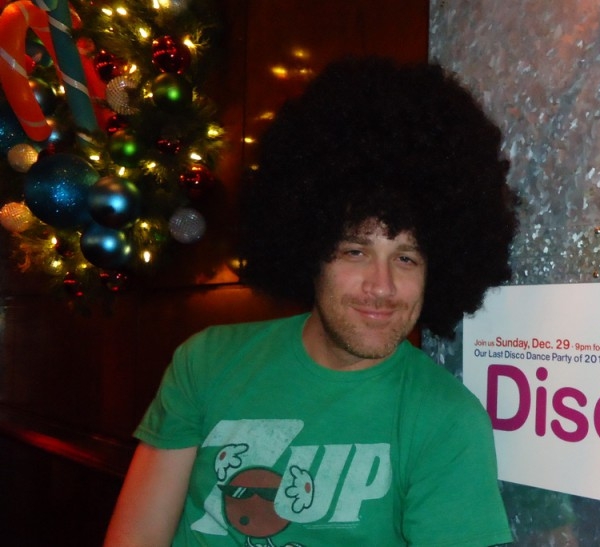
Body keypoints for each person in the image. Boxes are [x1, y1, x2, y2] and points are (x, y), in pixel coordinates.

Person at [105, 56, 519, 546]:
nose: (382, 287)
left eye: (406, 258)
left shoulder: (446, 421)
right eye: (355, 251)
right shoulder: (208, 362)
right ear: (310, 251)